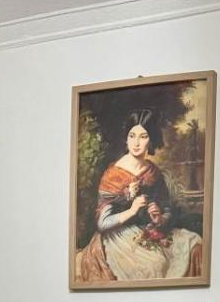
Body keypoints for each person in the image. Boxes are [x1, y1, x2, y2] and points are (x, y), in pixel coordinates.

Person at [75, 110, 203, 282]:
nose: (136, 143)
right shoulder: (113, 175)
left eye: (143, 137)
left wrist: (159, 218)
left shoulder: (152, 171)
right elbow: (102, 223)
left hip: (148, 230)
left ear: (152, 140)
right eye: (132, 136)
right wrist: (132, 210)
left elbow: (166, 209)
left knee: (195, 245)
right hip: (118, 235)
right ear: (126, 139)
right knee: (156, 265)